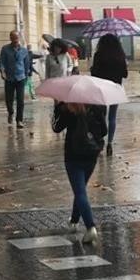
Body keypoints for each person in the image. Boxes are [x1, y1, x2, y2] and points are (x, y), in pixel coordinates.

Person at [53, 100, 108, 244]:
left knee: (80, 192)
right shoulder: (97, 106)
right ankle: (74, 221)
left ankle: (91, 227)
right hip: (91, 155)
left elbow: (56, 128)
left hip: (73, 155)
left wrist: (58, 108)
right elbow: (104, 130)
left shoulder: (68, 108)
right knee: (80, 189)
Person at [90, 33, 128, 157]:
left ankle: (100, 141)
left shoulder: (98, 55)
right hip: (115, 89)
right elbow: (125, 74)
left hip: (101, 89)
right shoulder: (120, 56)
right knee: (112, 117)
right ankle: (110, 143)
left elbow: (94, 74)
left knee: (100, 116)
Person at [0, 30, 32, 128]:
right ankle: (10, 112)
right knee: (9, 100)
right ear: (10, 38)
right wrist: (2, 72)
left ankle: (19, 120)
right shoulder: (5, 49)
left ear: (19, 38)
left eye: (16, 38)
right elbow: (1, 62)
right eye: (13, 38)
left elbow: (27, 64)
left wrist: (26, 75)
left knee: (20, 100)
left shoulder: (24, 50)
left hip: (20, 77)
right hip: (9, 78)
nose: (15, 40)